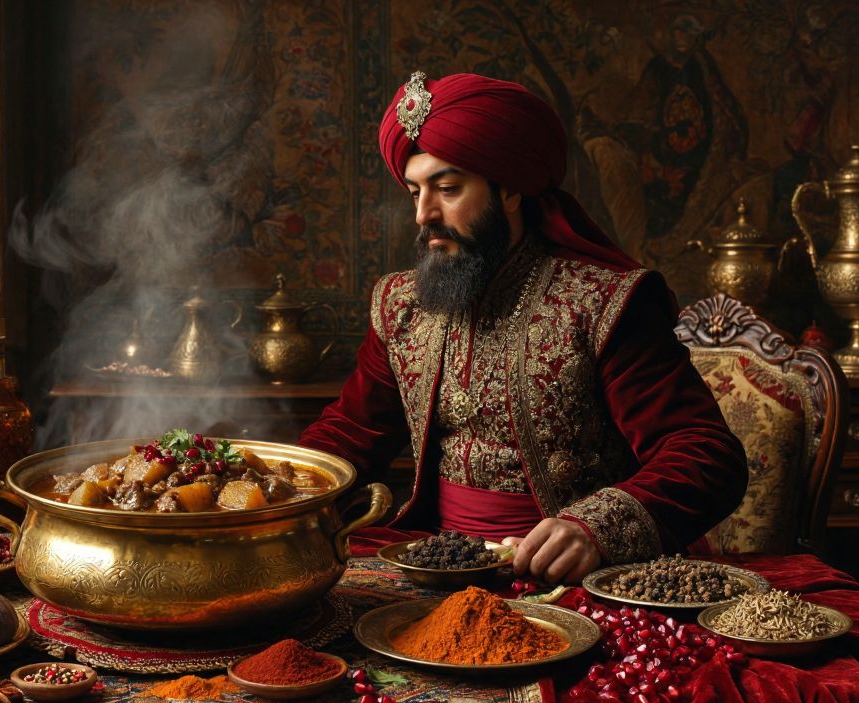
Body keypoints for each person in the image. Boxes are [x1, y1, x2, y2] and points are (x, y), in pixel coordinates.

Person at [299, 71, 748, 585]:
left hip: (572, 581)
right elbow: (354, 431)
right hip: (434, 571)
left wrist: (594, 529)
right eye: (414, 191)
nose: (424, 214)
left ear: (509, 190)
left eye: (447, 188)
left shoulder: (601, 303)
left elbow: (705, 453)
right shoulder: (403, 304)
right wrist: (279, 485)